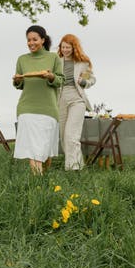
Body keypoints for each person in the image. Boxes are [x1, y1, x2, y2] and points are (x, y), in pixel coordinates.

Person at [12, 25, 64, 175]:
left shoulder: (53, 58)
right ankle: (37, 186)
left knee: (44, 150)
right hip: (26, 108)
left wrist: (51, 76)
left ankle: (43, 178)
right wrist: (16, 80)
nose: (31, 43)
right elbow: (19, 84)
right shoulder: (22, 59)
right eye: (28, 40)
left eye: (34, 39)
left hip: (48, 109)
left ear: (43, 40)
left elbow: (61, 81)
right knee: (33, 150)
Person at [57, 34, 96, 170]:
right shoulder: (56, 61)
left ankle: (73, 168)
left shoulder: (82, 63)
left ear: (74, 48)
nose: (65, 50)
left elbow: (91, 80)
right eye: (63, 47)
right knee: (63, 135)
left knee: (71, 134)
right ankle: (77, 164)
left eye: (68, 47)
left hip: (77, 99)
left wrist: (83, 81)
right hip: (60, 99)